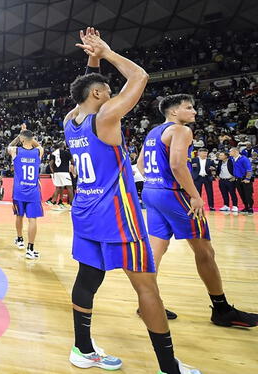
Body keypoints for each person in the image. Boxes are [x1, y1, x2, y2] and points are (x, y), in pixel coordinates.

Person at [66, 28, 199, 374]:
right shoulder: (106, 117)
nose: (112, 93)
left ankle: (82, 350)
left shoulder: (70, 120)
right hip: (118, 216)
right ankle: (169, 367)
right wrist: (107, 52)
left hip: (84, 212)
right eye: (107, 91)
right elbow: (140, 76)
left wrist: (93, 59)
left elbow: (88, 86)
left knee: (87, 280)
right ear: (98, 95)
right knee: (147, 289)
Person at [139, 94, 257, 329]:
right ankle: (222, 309)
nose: (194, 112)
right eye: (189, 108)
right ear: (174, 112)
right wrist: (194, 195)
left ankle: (146, 303)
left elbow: (141, 164)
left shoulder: (153, 132)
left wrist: (156, 183)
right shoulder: (180, 130)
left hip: (152, 193)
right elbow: (177, 164)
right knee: (204, 250)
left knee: (156, 249)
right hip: (173, 194)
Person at [8, 127, 44, 259]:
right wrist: (28, 136)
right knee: (32, 219)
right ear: (32, 139)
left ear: (22, 139)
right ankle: (31, 248)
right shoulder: (38, 151)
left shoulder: (15, 150)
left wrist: (20, 136)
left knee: (19, 216)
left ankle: (20, 239)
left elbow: (9, 145)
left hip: (19, 192)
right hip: (33, 192)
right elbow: (38, 145)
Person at [48, 142, 74, 209]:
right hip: (64, 172)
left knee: (58, 188)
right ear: (63, 146)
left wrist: (53, 172)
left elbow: (51, 164)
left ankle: (55, 203)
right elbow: (73, 162)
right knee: (70, 188)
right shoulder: (67, 153)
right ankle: (72, 205)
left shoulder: (53, 153)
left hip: (56, 173)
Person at [229, 147, 254, 215]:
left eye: (230, 151)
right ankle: (246, 207)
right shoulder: (232, 159)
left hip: (245, 179)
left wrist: (247, 179)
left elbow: (249, 169)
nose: (229, 153)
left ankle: (250, 208)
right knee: (242, 194)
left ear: (235, 152)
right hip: (237, 179)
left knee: (248, 194)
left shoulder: (244, 159)